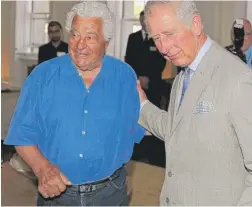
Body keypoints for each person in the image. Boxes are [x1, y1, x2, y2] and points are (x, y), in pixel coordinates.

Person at [4, 1, 144, 206]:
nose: (80, 44)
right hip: (57, 195)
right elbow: (21, 134)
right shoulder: (43, 76)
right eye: (75, 34)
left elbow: (137, 127)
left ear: (107, 42)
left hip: (110, 192)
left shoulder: (124, 76)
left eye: (90, 37)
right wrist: (42, 169)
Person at [137, 0, 252, 205]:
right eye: (156, 38)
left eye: (170, 34)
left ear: (196, 24)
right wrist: (142, 106)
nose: (163, 47)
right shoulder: (184, 73)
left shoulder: (238, 79)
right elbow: (177, 129)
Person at [125, 11, 166, 107]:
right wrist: (139, 77)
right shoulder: (133, 37)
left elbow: (161, 61)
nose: (144, 22)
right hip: (137, 82)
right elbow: (129, 59)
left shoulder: (157, 38)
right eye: (142, 19)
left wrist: (148, 78)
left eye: (146, 20)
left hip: (154, 83)